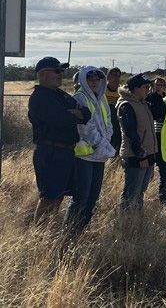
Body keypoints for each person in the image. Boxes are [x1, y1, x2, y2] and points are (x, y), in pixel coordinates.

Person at [28, 57, 91, 223]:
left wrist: (76, 113)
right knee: (49, 198)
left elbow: (86, 113)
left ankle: (48, 232)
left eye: (62, 71)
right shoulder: (40, 97)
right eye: (57, 71)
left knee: (59, 196)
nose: (61, 74)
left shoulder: (61, 95)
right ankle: (39, 235)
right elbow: (62, 120)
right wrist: (74, 114)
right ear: (42, 74)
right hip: (50, 153)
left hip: (66, 152)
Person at [66, 67, 116, 231]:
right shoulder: (80, 98)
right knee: (81, 197)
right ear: (83, 81)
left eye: (97, 79)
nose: (94, 82)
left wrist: (106, 139)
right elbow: (85, 127)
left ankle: (81, 229)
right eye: (90, 80)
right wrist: (101, 144)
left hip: (99, 155)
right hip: (84, 156)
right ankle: (70, 232)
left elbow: (108, 121)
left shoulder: (101, 98)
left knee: (93, 197)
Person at [117, 74, 157, 211]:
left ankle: (136, 221)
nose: (148, 89)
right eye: (145, 87)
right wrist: (141, 155)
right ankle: (125, 222)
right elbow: (131, 133)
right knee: (131, 193)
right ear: (135, 88)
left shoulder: (142, 103)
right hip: (135, 156)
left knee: (140, 192)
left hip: (148, 155)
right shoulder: (126, 105)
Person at [105, 67, 123, 154]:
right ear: (108, 77)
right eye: (114, 75)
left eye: (118, 76)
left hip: (119, 128)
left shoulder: (122, 92)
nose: (116, 78)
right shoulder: (102, 91)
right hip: (106, 128)